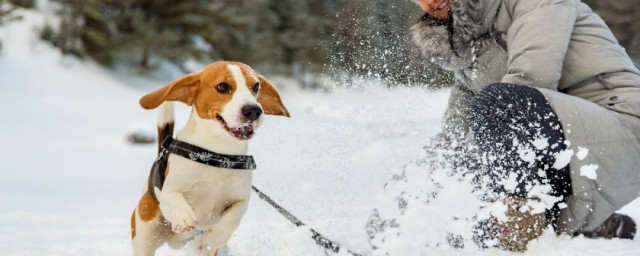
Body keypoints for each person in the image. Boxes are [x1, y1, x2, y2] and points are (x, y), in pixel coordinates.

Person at [411, 0, 640, 251]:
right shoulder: (471, 48)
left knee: (500, 105)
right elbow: (451, 143)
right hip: (570, 150)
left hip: (623, 128)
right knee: (459, 229)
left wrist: (470, 180)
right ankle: (591, 224)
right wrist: (406, 208)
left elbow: (531, 79)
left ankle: (519, 242)